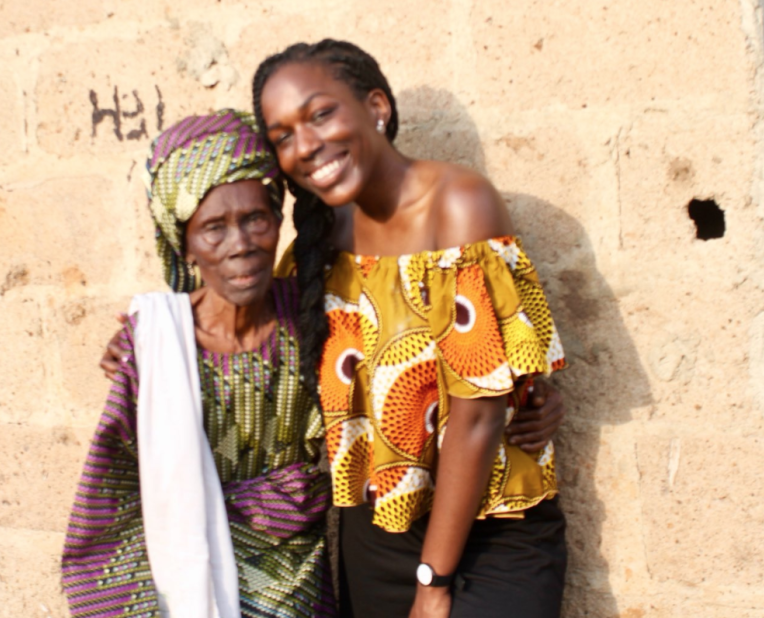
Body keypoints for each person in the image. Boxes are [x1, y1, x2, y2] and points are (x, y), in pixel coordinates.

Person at [252, 40, 569, 618]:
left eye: (321, 114)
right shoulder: (313, 253)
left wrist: (433, 582)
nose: (306, 145)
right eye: (282, 136)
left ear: (376, 106)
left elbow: (477, 413)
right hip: (375, 536)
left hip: (493, 530)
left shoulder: (460, 205)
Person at [61, 109, 335, 618]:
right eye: (214, 228)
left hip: (302, 582)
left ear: (278, 221)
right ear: (183, 245)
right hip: (192, 580)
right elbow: (114, 489)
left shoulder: (313, 315)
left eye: (256, 218)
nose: (242, 245)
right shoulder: (158, 346)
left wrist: (525, 403)